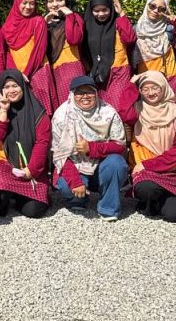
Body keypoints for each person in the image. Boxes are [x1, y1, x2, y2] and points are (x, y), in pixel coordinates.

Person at [51, 76, 129, 221]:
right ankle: (77, 199)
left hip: (102, 166)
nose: (85, 96)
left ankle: (108, 207)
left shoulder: (108, 112)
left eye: (90, 92)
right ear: (72, 94)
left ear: (96, 93)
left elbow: (120, 146)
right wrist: (75, 181)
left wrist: (91, 148)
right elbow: (59, 154)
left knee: (116, 163)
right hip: (76, 165)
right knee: (66, 186)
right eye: (80, 93)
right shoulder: (61, 116)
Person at [118, 71, 176, 223]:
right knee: (146, 189)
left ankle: (160, 200)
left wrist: (147, 164)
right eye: (145, 89)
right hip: (147, 173)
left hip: (174, 170)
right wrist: (132, 85)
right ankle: (153, 201)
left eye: (155, 88)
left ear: (163, 87)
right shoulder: (138, 111)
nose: (150, 93)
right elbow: (124, 112)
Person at [0, 70, 52, 219]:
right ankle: (9, 194)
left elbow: (42, 144)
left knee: (34, 210)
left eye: (15, 86)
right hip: (4, 163)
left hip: (30, 166)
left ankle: (18, 195)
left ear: (23, 86)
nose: (11, 90)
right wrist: (3, 111)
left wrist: (31, 170)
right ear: (0, 90)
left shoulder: (38, 113)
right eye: (6, 87)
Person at [132, 0, 176, 108]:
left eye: (161, 9)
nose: (155, 11)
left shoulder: (170, 30)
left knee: (174, 114)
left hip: (170, 79)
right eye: (152, 6)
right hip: (146, 81)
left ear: (166, 11)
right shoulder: (135, 30)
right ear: (147, 6)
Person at [81, 0, 136, 112]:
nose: (101, 14)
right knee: (101, 110)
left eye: (104, 10)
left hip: (119, 70)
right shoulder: (87, 25)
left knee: (117, 108)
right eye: (96, 11)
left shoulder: (118, 22)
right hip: (97, 75)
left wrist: (121, 14)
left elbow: (130, 39)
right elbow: (83, 50)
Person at [34, 0, 84, 114]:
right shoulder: (43, 22)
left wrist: (70, 16)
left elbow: (74, 39)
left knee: (77, 107)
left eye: (60, 0)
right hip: (52, 72)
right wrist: (44, 24)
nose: (55, 4)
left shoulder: (75, 18)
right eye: (50, 1)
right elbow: (39, 48)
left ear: (66, 1)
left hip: (72, 68)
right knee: (61, 110)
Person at [1, 0, 50, 110]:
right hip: (17, 75)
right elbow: (7, 53)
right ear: (17, 2)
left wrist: (26, 73)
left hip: (37, 71)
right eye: (24, 3)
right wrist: (16, 74)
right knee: (20, 110)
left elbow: (39, 50)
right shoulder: (7, 27)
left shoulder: (38, 21)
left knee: (41, 109)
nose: (28, 7)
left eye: (32, 3)